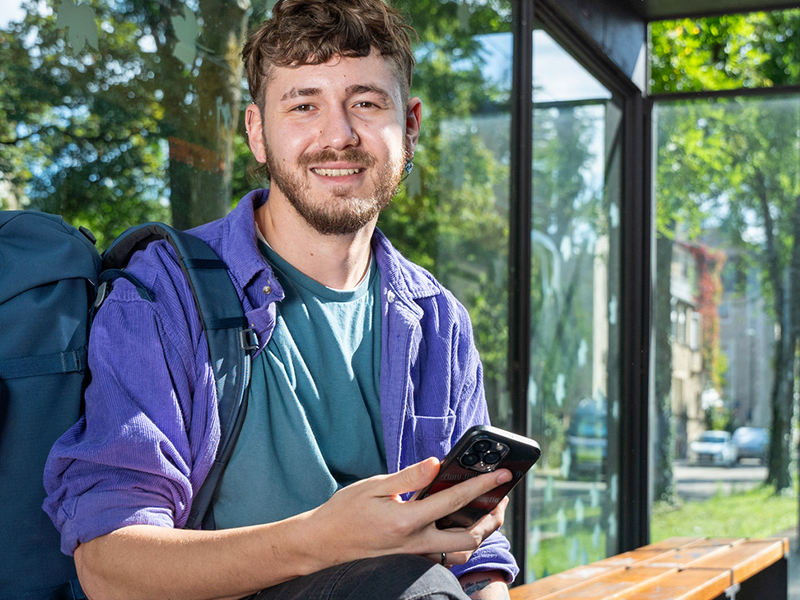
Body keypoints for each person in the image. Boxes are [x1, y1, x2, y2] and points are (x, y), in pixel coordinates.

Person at [42, 1, 516, 598]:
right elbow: (109, 565)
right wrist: (320, 539)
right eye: (304, 105)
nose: (339, 135)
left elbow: (478, 557)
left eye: (367, 103)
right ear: (257, 132)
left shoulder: (438, 320)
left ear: (410, 126)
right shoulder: (165, 292)